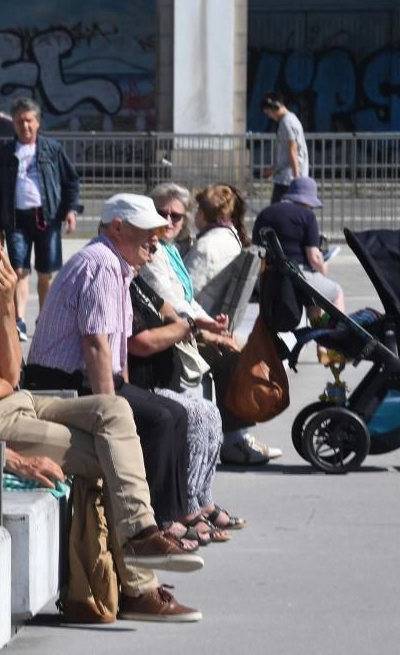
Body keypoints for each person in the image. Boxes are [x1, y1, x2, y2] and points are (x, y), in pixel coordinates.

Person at [0, 214, 203, 622]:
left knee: (114, 409)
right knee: (110, 460)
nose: (1, 273)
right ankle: (138, 585)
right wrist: (11, 459)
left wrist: (6, 307)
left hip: (19, 401)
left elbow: (8, 375)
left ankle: (140, 536)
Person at [23, 194, 194, 532]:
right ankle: (153, 524)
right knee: (158, 419)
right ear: (118, 227)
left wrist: (123, 391)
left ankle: (170, 513)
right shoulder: (101, 262)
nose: (155, 241)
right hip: (61, 382)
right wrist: (110, 411)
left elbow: (116, 352)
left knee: (175, 413)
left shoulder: (118, 265)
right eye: (148, 231)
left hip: (88, 377)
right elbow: (96, 345)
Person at [141, 183, 283, 466]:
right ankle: (234, 440)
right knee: (228, 354)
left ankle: (234, 438)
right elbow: (168, 303)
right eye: (162, 213)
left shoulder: (168, 249)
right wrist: (207, 330)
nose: (169, 221)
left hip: (179, 327)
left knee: (230, 351)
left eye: (177, 216)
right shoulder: (153, 251)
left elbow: (185, 297)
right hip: (160, 333)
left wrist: (209, 325)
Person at [127, 270, 246, 545]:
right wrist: (187, 328)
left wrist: (200, 327)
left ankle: (201, 499)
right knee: (189, 415)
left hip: (158, 380)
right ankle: (182, 508)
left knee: (209, 412)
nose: (153, 245)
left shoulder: (135, 280)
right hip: (141, 384)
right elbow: (141, 344)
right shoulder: (116, 279)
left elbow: (170, 312)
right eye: (149, 237)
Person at [0, 97, 81, 342]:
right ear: (14, 124)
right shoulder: (4, 155)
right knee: (18, 270)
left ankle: (45, 318)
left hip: (47, 218)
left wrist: (70, 210)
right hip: (17, 220)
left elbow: (71, 181)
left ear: (38, 123)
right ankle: (19, 320)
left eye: (29, 121)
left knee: (46, 273)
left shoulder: (52, 149)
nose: (25, 126)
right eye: (20, 121)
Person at [252, 176, 345, 318]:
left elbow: (256, 247)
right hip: (296, 277)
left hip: (266, 280)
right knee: (336, 292)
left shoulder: (265, 213)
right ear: (308, 201)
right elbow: (314, 257)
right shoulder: (307, 216)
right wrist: (323, 268)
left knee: (315, 296)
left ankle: (320, 335)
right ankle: (328, 337)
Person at [261, 92, 309, 204]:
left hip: (287, 178)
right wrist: (273, 169)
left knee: (276, 212)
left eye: (268, 112)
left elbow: (293, 150)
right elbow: (287, 154)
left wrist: (296, 177)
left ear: (274, 107)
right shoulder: (291, 118)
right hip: (287, 175)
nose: (269, 116)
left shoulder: (286, 123)